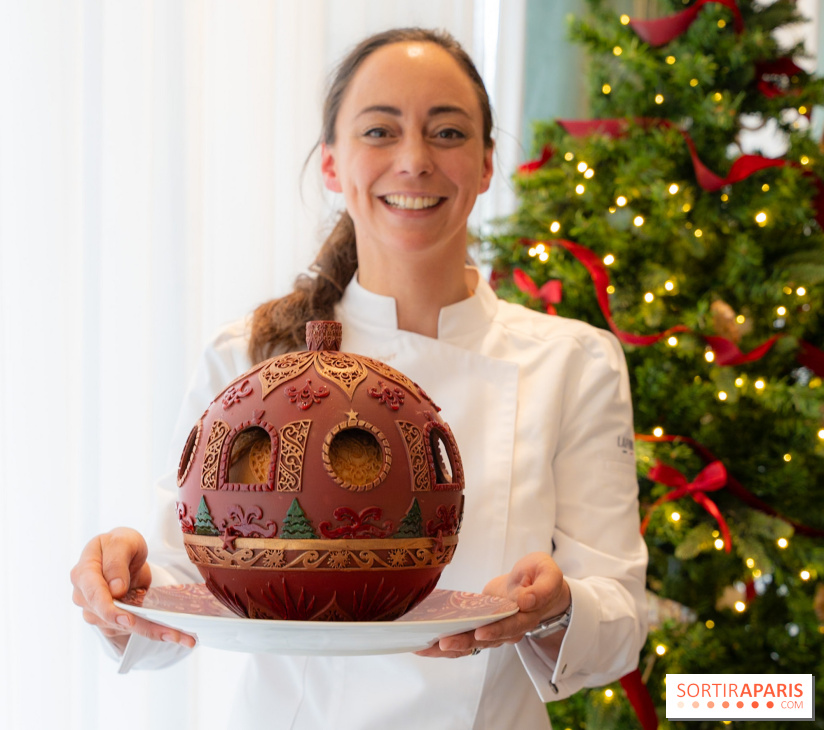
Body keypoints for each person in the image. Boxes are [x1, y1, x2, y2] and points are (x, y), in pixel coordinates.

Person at [71, 27, 648, 729]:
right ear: (333, 165)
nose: (414, 160)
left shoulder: (573, 362)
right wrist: (121, 584)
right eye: (380, 131)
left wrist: (556, 609)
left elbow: (619, 626)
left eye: (447, 132)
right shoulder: (250, 356)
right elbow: (179, 585)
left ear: (488, 163)